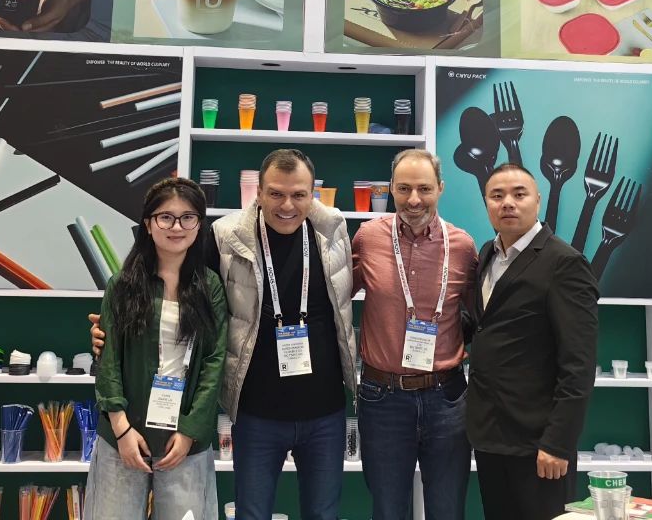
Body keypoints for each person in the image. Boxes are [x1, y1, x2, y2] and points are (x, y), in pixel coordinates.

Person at [89, 149, 357, 520]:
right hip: (257, 411)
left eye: (299, 194)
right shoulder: (226, 236)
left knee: (324, 513)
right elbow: (182, 302)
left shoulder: (334, 230)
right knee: (251, 513)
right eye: (276, 193)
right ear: (258, 193)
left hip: (325, 409)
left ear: (313, 194)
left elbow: (358, 294)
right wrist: (105, 333)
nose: (287, 205)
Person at [463, 164, 599, 520]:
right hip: (490, 434)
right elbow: (483, 324)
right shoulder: (488, 254)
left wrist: (558, 443)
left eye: (518, 194)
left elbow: (579, 365)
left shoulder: (565, 263)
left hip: (539, 442)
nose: (507, 203)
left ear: (538, 200)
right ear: (486, 203)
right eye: (497, 196)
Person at [86, 177, 228, 519]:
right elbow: (108, 361)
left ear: (199, 225)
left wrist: (190, 431)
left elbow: (214, 361)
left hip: (184, 437)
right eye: (166, 217)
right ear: (148, 224)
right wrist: (121, 428)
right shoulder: (122, 285)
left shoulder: (210, 286)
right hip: (124, 434)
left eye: (187, 217)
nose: (176, 227)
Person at [351, 149, 478, 520]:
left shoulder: (463, 246)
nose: (414, 199)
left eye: (424, 188)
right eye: (404, 188)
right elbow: (335, 297)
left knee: (447, 510)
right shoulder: (368, 238)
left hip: (447, 398)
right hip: (382, 398)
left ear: (440, 188)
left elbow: (481, 315)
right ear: (391, 188)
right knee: (388, 511)